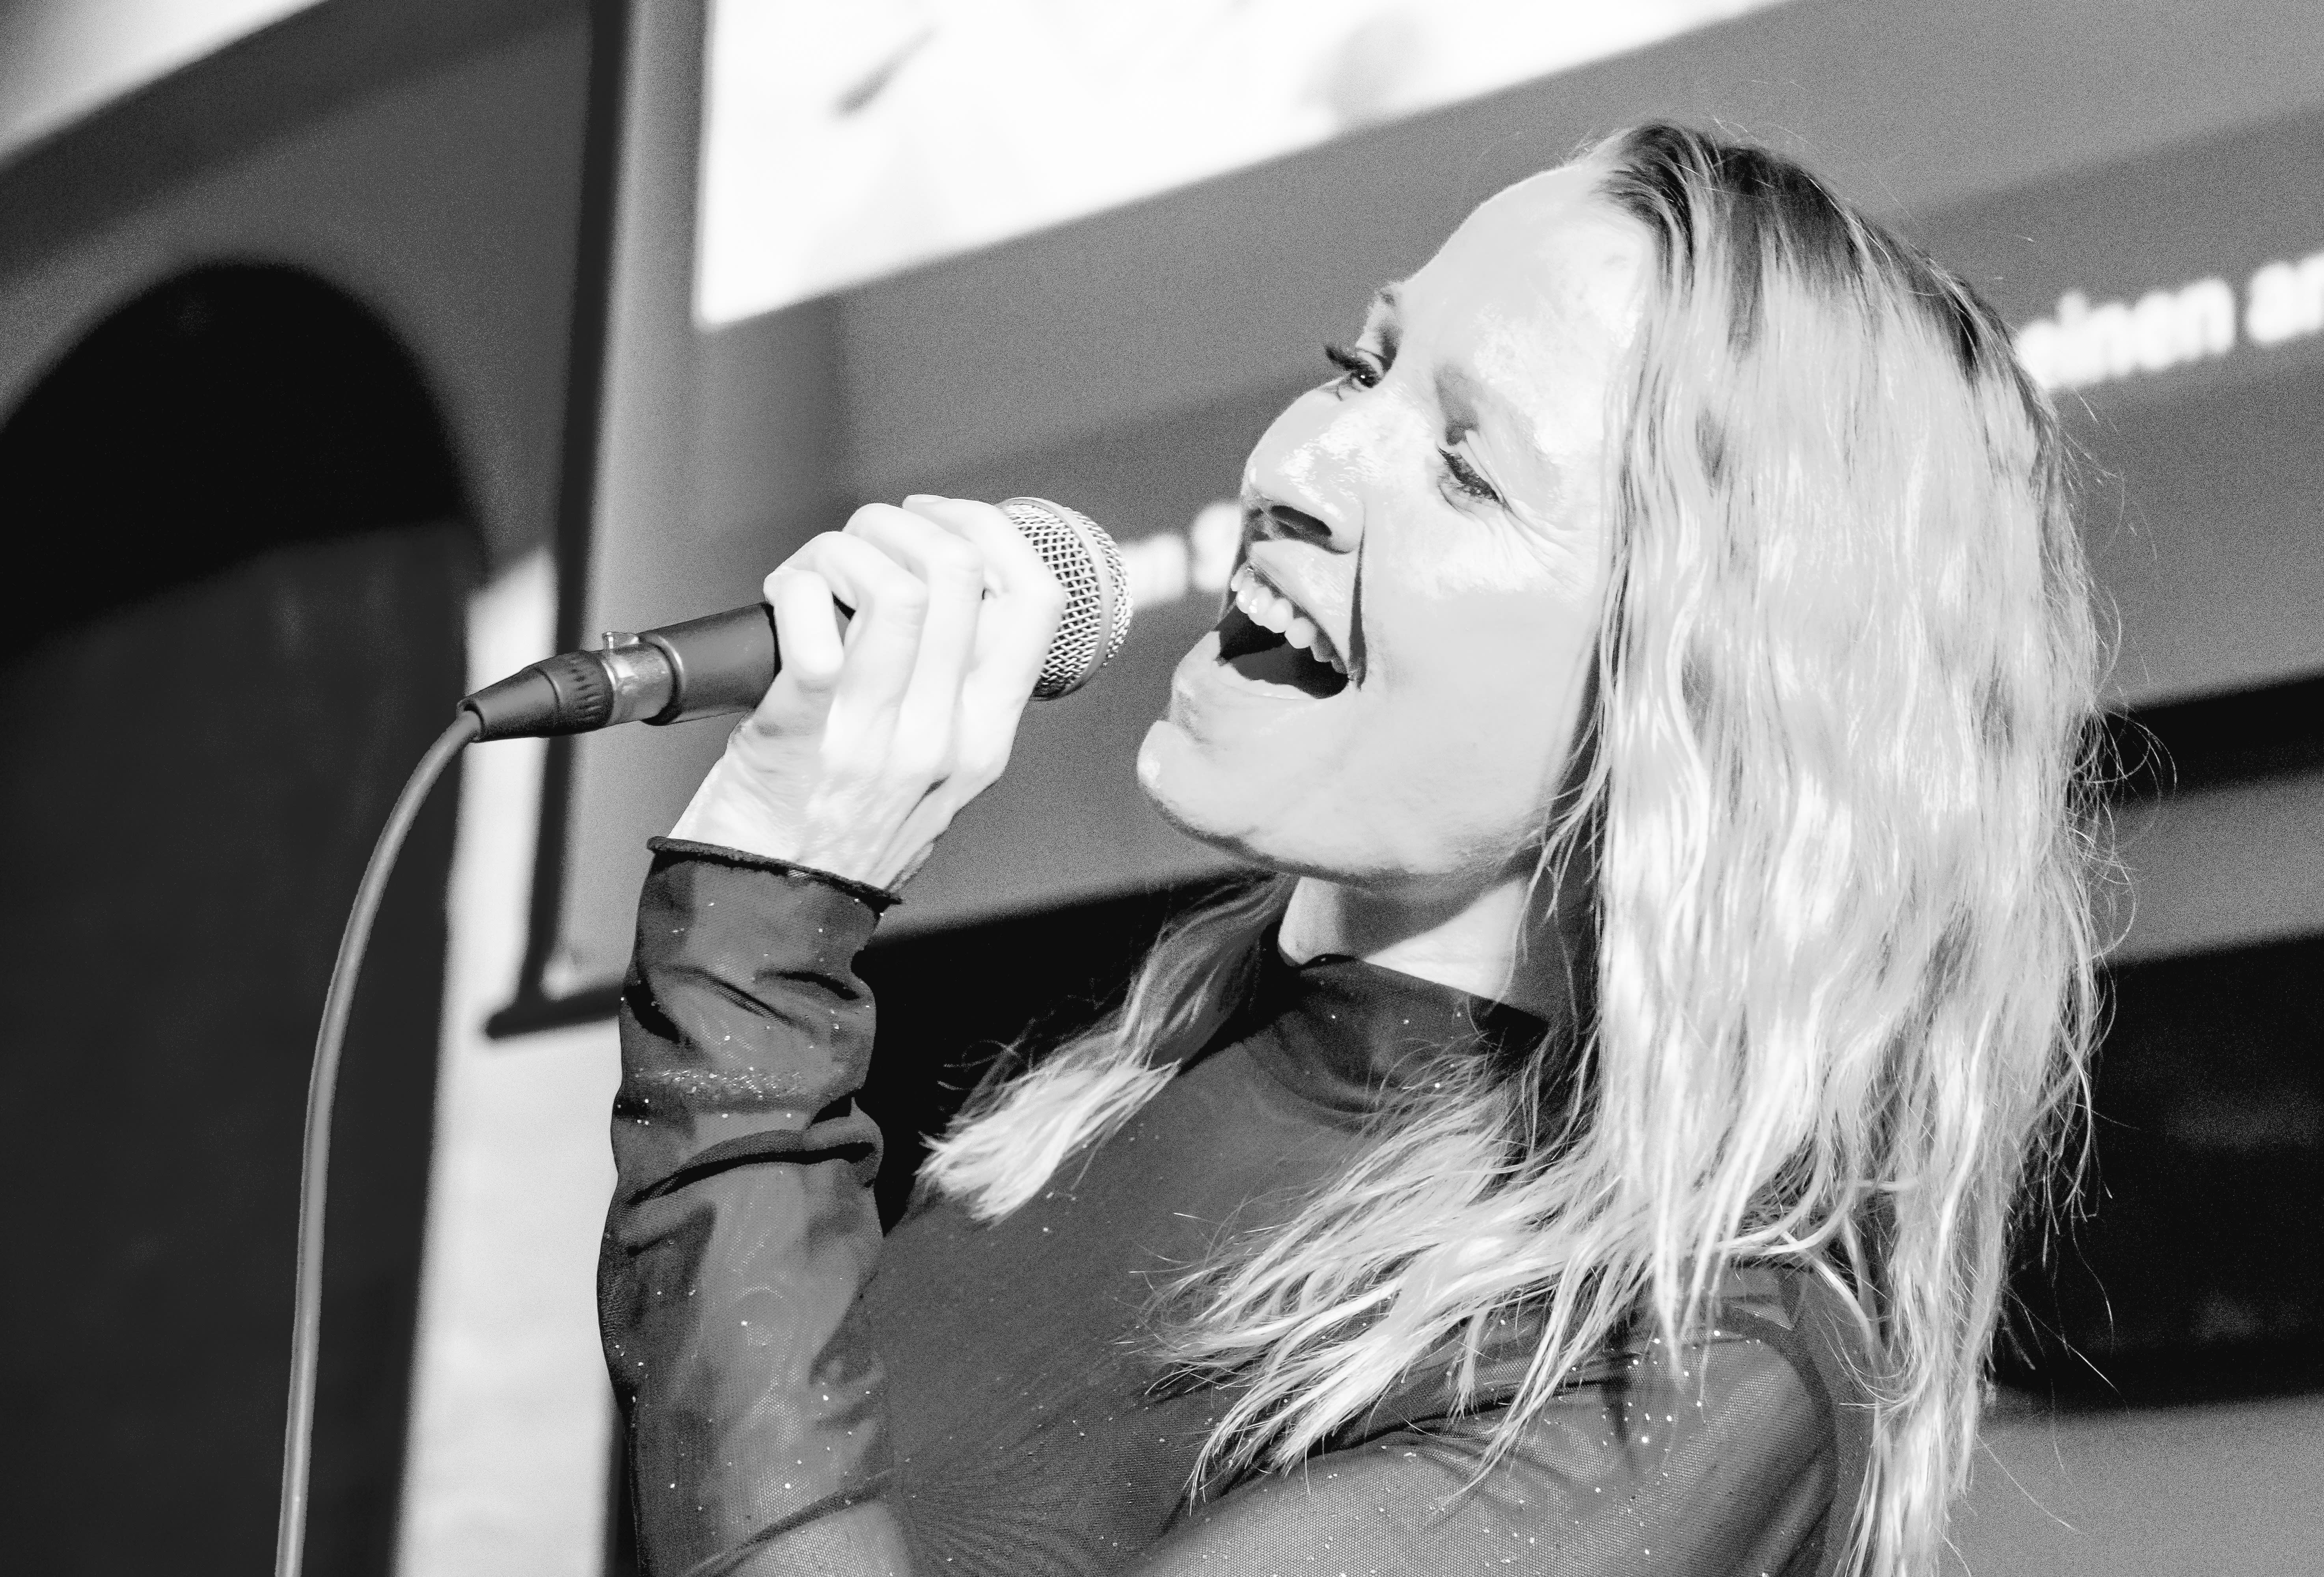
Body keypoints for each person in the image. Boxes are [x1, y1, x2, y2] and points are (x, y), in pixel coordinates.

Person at [598, 123, 2103, 1577]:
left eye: (1468, 469)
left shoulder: (1678, 1369)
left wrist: (758, 954)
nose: (1301, 465)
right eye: (1363, 367)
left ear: (1700, 699)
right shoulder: (1111, 1099)